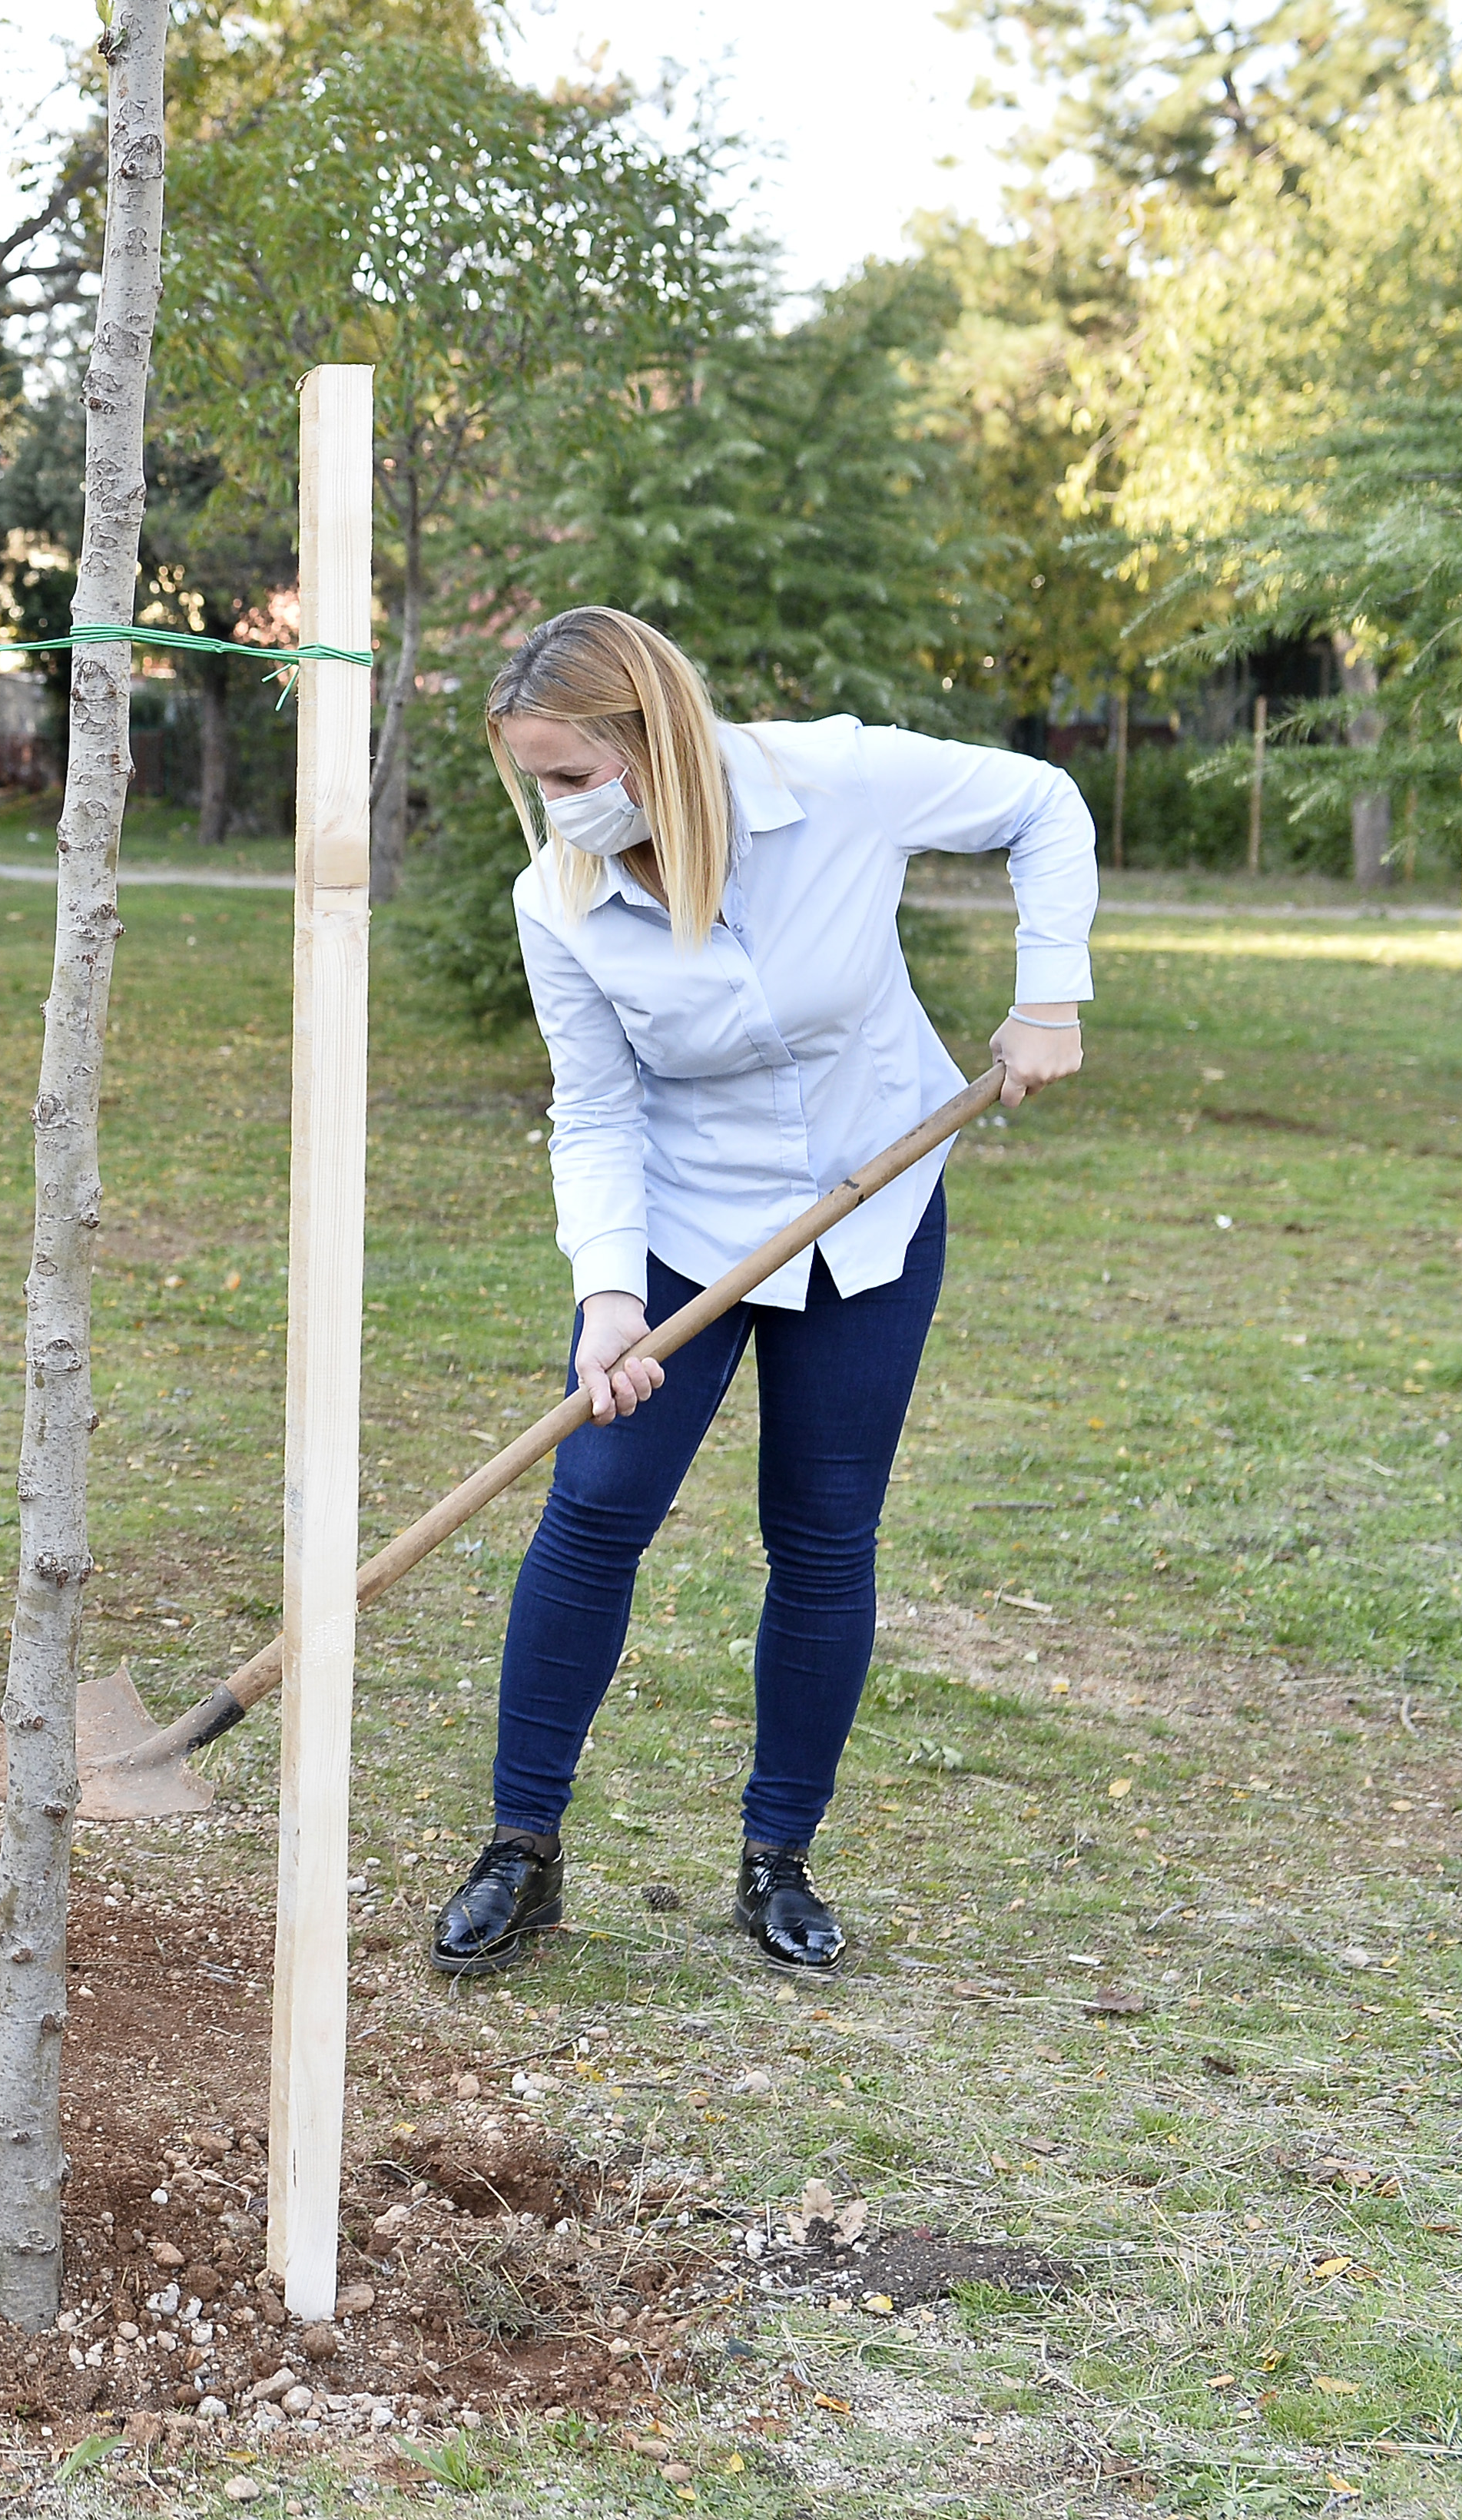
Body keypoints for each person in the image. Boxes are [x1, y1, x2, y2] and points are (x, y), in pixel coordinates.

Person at [428, 606, 1092, 1981]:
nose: (556, 809)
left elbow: (1045, 803)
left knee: (825, 1530)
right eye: (535, 782)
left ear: (647, 738)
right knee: (596, 1511)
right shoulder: (559, 899)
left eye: (569, 775)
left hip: (873, 1207)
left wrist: (1049, 996)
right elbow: (594, 1107)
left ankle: (777, 1857)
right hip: (684, 1229)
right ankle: (522, 1847)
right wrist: (609, 1297)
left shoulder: (834, 781)